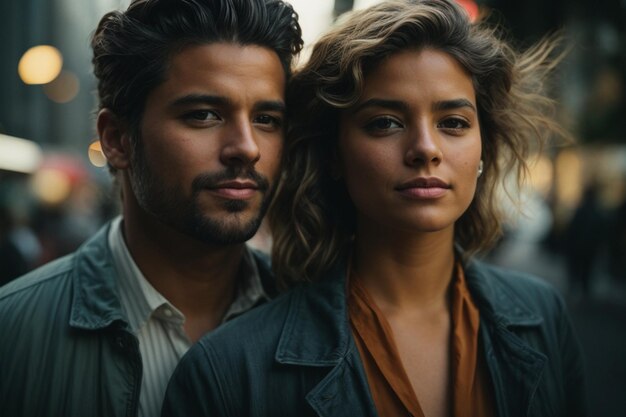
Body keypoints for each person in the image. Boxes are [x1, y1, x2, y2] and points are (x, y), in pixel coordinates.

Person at [162, 1, 586, 416]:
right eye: (385, 122)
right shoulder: (228, 371)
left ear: (482, 149)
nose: (425, 148)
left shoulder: (543, 316)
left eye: (453, 123)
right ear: (333, 154)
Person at [0, 0, 302, 416]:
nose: (247, 148)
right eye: (204, 115)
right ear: (118, 139)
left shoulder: (320, 323)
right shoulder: (12, 333)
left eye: (266, 119)